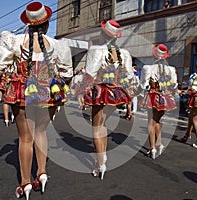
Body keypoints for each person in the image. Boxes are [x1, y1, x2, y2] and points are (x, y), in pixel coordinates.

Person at [0, 2, 72, 199]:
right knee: (41, 132)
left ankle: (25, 182)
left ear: (28, 24)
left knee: (25, 138)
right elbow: (67, 72)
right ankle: (42, 172)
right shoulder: (58, 45)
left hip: (22, 90)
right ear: (46, 25)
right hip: (47, 91)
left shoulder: (15, 40)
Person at [82, 19, 134, 180]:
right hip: (116, 93)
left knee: (96, 126)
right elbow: (129, 75)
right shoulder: (124, 53)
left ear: (103, 34)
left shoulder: (97, 50)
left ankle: (100, 163)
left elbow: (90, 72)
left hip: (100, 91)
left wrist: (82, 90)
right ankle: (103, 156)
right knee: (102, 125)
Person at [140, 44, 178, 159]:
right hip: (165, 97)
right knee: (158, 120)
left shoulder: (148, 68)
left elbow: (144, 84)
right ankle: (159, 143)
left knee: (150, 122)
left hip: (153, 96)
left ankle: (152, 147)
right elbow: (174, 84)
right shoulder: (171, 69)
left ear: (154, 55)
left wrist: (142, 94)